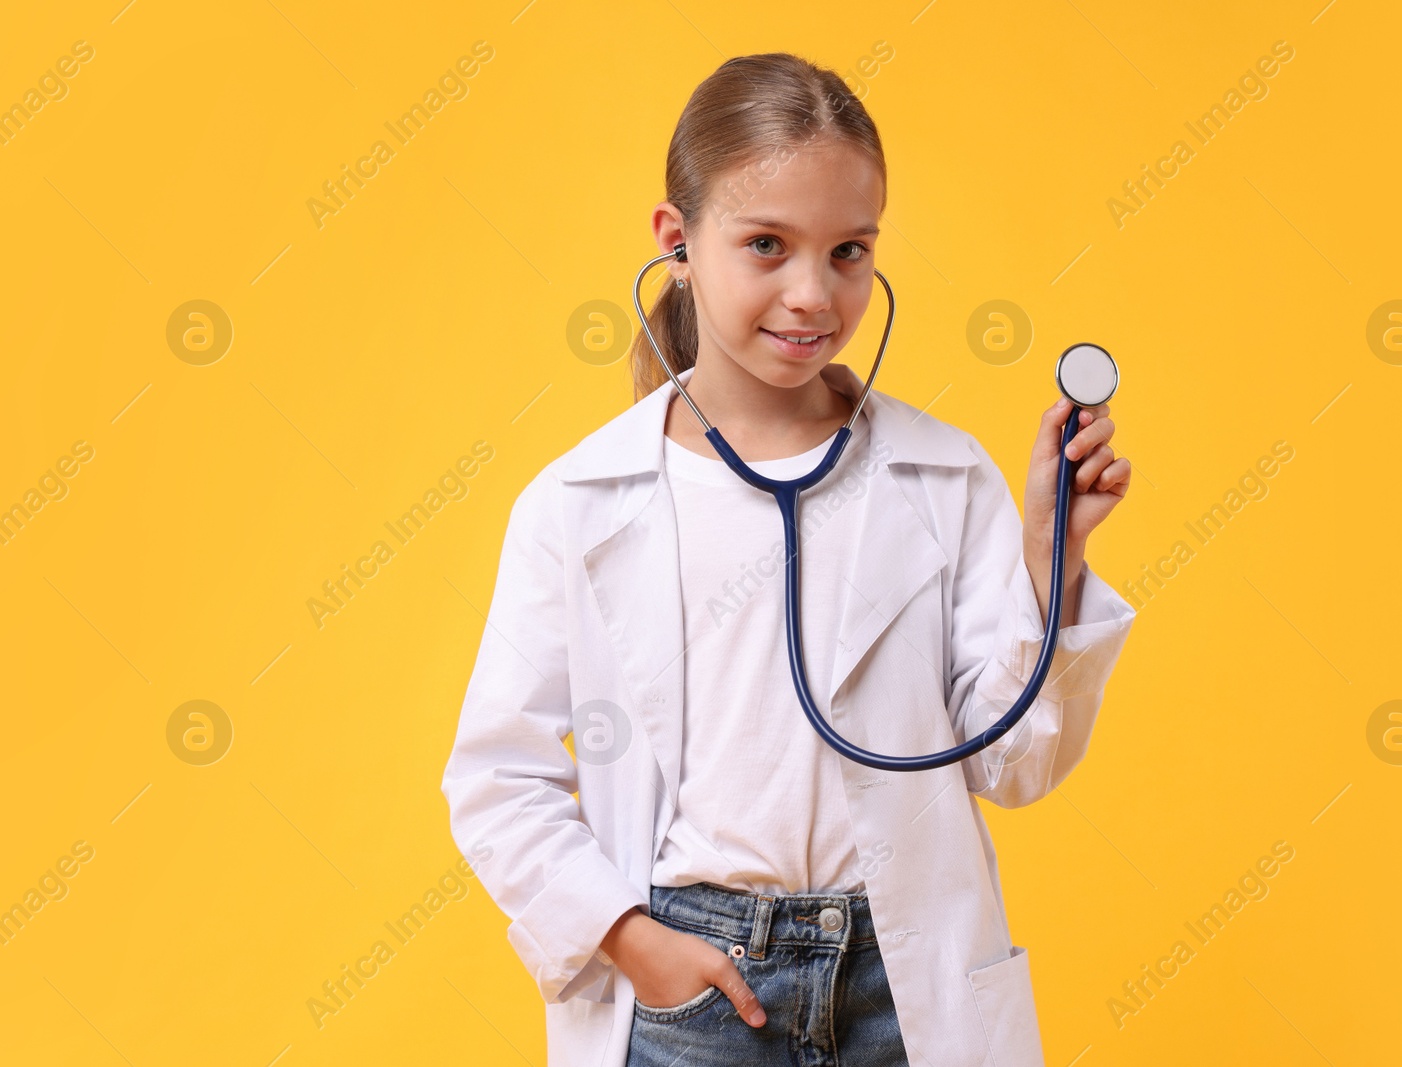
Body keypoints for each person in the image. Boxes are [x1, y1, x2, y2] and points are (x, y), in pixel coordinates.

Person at [441, 51, 1136, 1067]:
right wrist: (632, 941)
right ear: (676, 243)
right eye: (766, 244)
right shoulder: (576, 502)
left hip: (902, 980)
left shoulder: (942, 476)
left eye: (849, 250)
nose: (813, 293)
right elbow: (497, 776)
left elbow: (1014, 761)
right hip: (693, 990)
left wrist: (1052, 558)